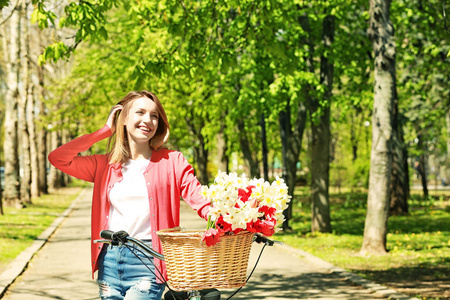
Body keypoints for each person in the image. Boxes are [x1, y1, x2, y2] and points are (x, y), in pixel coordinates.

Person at [48, 91, 210, 300]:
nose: (148, 120)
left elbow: (202, 201)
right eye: (140, 112)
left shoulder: (172, 161)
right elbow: (58, 158)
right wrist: (104, 131)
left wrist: (234, 220)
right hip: (109, 259)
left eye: (154, 115)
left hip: (150, 261)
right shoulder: (104, 165)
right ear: (123, 118)